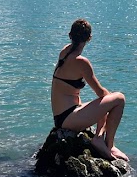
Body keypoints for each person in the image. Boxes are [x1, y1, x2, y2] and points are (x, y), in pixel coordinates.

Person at [51, 18, 128, 161]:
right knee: (119, 99)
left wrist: (106, 99)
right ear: (89, 38)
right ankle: (108, 145)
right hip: (68, 119)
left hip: (62, 116)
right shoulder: (81, 62)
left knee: (104, 101)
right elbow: (100, 92)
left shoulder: (64, 52)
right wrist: (109, 97)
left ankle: (99, 138)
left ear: (70, 35)